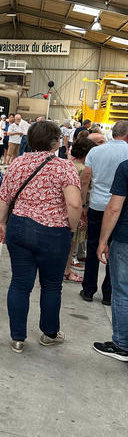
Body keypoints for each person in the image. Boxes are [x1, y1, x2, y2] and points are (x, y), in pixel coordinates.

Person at [0, 120, 81, 353]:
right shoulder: (64, 167)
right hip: (53, 233)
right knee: (52, 285)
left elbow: (5, 197)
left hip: (19, 228)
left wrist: (2, 222)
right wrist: (71, 228)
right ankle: (49, 333)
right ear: (56, 142)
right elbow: (74, 204)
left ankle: (17, 338)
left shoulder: (18, 163)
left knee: (20, 283)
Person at [79, 120, 128, 305]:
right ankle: (109, 293)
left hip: (98, 205)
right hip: (120, 208)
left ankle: (88, 289)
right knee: (114, 249)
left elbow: (85, 179)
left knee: (93, 246)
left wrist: (84, 204)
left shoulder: (96, 151)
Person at [93, 158, 128, 361]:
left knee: (122, 290)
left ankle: (122, 344)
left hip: (125, 239)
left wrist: (103, 240)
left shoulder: (126, 167)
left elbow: (114, 208)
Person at [63, 135, 96, 283]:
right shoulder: (83, 169)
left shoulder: (67, 164)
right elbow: (82, 190)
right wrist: (83, 209)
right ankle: (66, 271)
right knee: (71, 241)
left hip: (62, 206)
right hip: (75, 209)